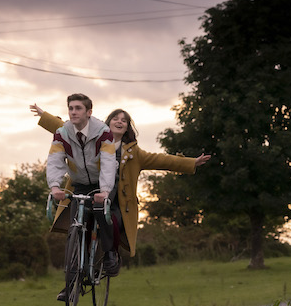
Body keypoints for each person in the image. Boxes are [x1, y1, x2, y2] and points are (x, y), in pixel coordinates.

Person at [32, 103, 210, 261]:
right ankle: (73, 276)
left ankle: (110, 255)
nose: (119, 122)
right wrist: (44, 116)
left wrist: (191, 162)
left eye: (124, 121)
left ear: (127, 128)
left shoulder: (134, 154)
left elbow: (163, 160)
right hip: (86, 194)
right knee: (77, 228)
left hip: (115, 204)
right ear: (107, 123)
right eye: (115, 119)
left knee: (109, 220)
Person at [45, 93, 118, 301]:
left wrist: (104, 190)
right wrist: (54, 186)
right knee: (75, 227)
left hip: (102, 182)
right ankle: (69, 286)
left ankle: (110, 254)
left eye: (78, 108)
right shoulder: (62, 133)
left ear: (89, 112)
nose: (73, 112)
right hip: (79, 183)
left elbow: (108, 162)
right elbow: (55, 161)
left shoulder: (103, 133)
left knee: (100, 212)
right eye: (71, 108)